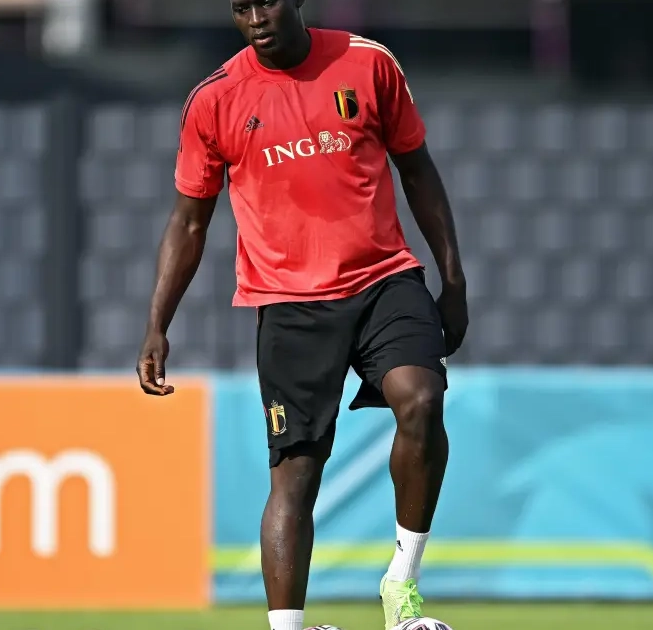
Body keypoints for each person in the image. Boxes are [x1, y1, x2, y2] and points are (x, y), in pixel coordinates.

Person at [136, 1, 468, 629]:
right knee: (295, 478)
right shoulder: (214, 99)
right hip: (289, 304)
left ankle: (401, 587)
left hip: (383, 279)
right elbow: (189, 222)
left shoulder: (368, 64)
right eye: (241, 7)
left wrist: (452, 278)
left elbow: (418, 170)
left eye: (267, 1)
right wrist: (158, 324)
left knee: (422, 401)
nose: (256, 17)